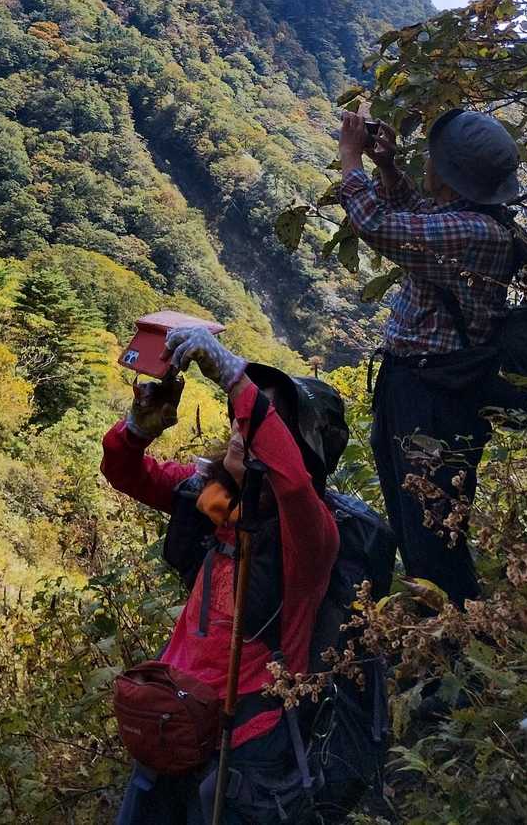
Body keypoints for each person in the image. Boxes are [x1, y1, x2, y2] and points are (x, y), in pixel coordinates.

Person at [101, 325, 345, 825]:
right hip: (170, 719)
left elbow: (293, 487)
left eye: (265, 422)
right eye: (243, 419)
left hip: (246, 745)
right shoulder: (212, 500)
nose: (241, 430)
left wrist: (234, 377)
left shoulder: (310, 536)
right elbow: (125, 472)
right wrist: (138, 428)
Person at [338, 106, 520, 605]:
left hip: (433, 399)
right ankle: (446, 626)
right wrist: (387, 169)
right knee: (417, 517)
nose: (428, 163)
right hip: (422, 389)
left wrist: (351, 159)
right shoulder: (473, 221)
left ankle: (451, 635)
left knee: (430, 530)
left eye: (434, 158)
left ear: (450, 174)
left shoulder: (471, 233)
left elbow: (378, 226)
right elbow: (420, 217)